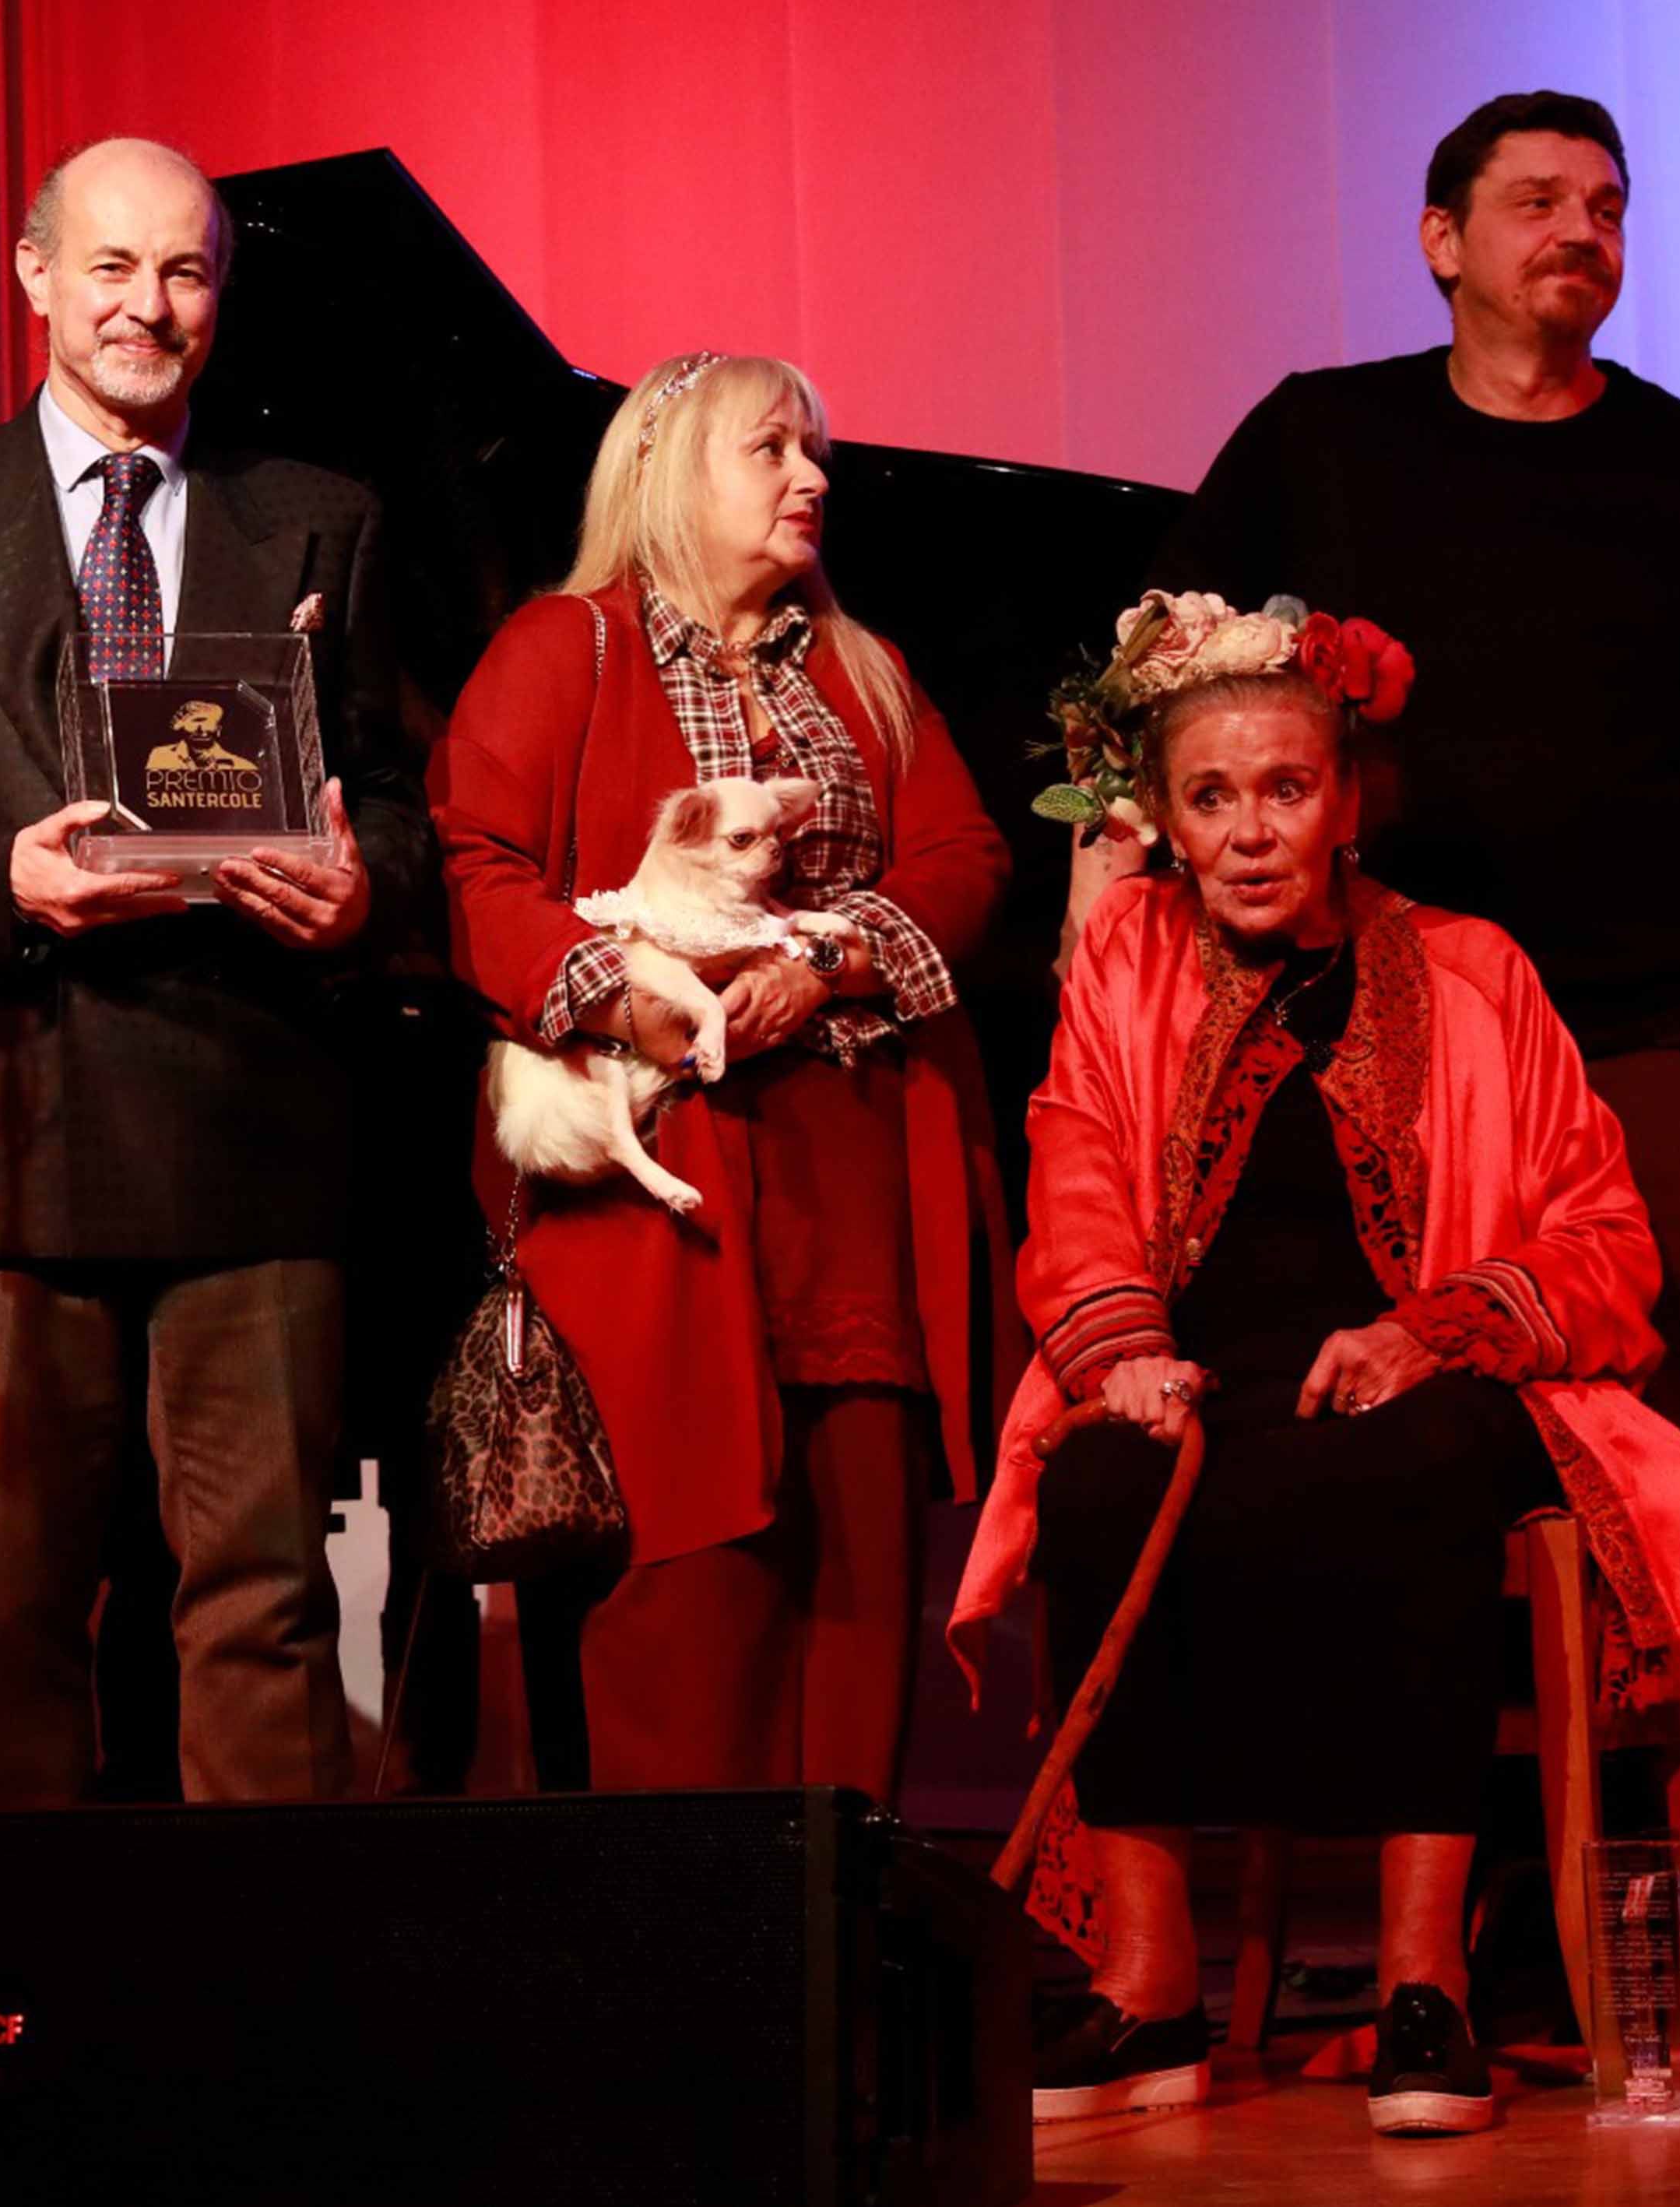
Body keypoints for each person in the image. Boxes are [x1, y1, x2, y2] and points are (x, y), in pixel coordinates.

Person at [954, 592, 1680, 2136]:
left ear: (1347, 802)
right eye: (1210, 797)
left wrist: (1429, 1332)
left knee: (1415, 1465)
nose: (1250, 832)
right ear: (1164, 821)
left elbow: (1603, 1235)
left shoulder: (1470, 966)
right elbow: (1076, 1168)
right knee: (1098, 1478)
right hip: (1194, 1376)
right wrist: (1123, 1352)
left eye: (1286, 789)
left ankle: (1420, 1986)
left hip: (1437, 1379)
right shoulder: (1123, 958)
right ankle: (1148, 1990)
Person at [0, 138, 423, 1805]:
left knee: (266, 1607)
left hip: (252, 1115)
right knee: (3, 1615)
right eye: (113, 267)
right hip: (7, 1120)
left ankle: (264, 1970)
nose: (149, 306)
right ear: (34, 274)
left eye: (186, 271)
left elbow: (400, 803)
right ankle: (14, 1970)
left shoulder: (322, 518)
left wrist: (361, 892)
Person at [1142, 89, 1680, 1456]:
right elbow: (1156, 680)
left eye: (1607, 208)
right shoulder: (1319, 438)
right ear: (1442, 240)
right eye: (1538, 202)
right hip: (1361, 1030)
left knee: (1645, 1460)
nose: (1582, 230)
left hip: (1647, 1044)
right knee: (1383, 1454)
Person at [430, 351, 1014, 1798]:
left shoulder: (863, 668)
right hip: (662, 1199)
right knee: (683, 1594)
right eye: (772, 449)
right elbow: (478, 865)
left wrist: (832, 962)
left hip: (848, 1185)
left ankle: (837, 1910)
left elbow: (966, 858)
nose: (812, 478)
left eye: (817, 452)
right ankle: (685, 1918)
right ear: (669, 468)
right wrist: (625, 1001)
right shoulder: (569, 645)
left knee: (855, 1569)